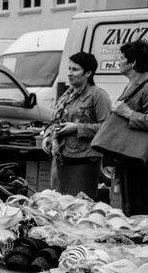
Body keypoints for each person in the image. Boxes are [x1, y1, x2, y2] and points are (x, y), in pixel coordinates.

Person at [44, 52, 110, 200]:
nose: (70, 73)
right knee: (63, 205)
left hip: (85, 160)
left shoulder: (98, 95)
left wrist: (76, 128)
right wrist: (49, 136)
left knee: (80, 205)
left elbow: (106, 128)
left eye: (75, 70)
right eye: (69, 69)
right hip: (63, 157)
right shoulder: (67, 96)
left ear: (88, 73)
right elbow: (55, 121)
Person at [109, 39, 148, 215]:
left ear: (133, 63)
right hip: (127, 155)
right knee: (128, 208)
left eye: (122, 58)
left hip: (139, 157)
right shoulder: (132, 85)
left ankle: (139, 242)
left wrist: (128, 113)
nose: (118, 62)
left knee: (135, 210)